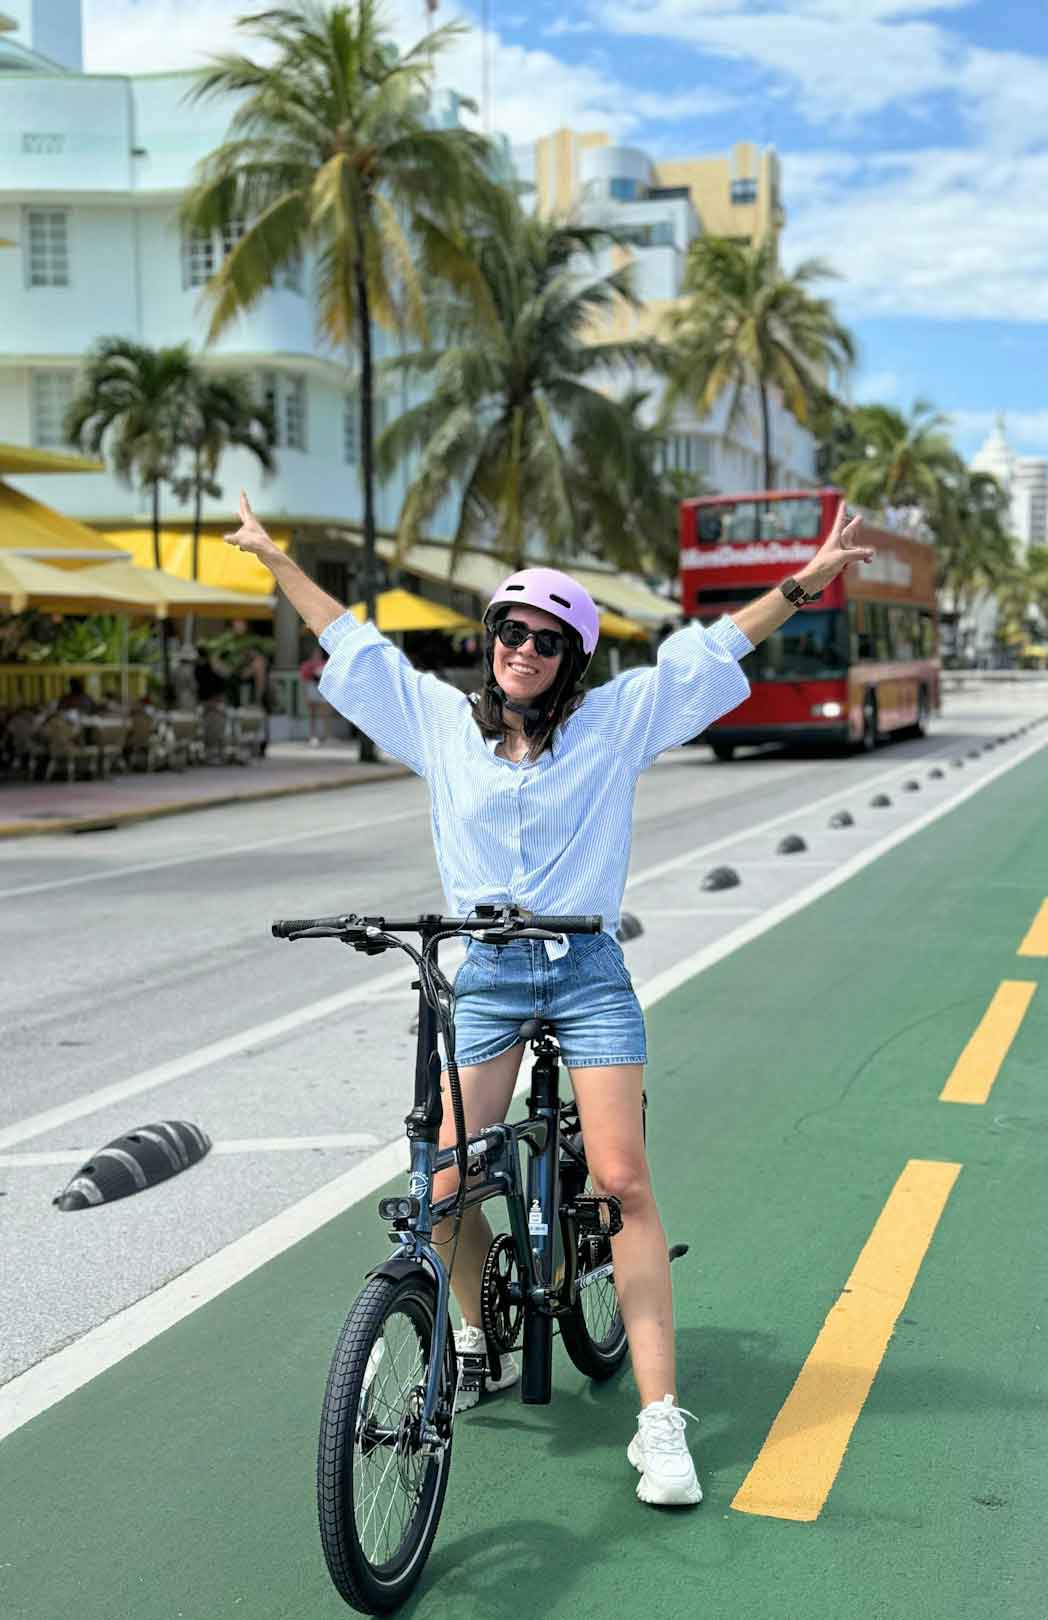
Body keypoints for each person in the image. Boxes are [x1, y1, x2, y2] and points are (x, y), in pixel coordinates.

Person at [223, 488, 874, 1509]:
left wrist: (804, 584)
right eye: (507, 632)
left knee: (622, 1183)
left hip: (585, 975)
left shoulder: (614, 724)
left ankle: (660, 1424)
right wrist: (273, 556)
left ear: (571, 661)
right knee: (442, 1182)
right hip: (483, 974)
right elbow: (353, 644)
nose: (519, 649)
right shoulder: (442, 726)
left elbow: (706, 655)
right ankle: (474, 1323)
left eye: (543, 639)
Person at [298, 642, 332, 747]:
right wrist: (305, 695)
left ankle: (326, 735)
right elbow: (303, 680)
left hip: (322, 690)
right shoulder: (306, 665)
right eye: (315, 653)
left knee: (325, 713)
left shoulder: (325, 663)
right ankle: (313, 735)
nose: (316, 654)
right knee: (313, 715)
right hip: (311, 688)